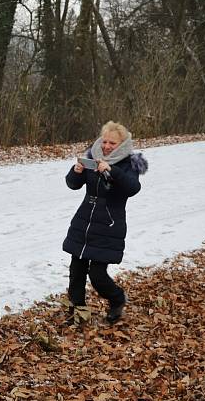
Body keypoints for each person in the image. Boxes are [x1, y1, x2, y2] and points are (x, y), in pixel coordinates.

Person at [63, 121, 148, 323]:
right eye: (105, 141)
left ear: (122, 144)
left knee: (97, 275)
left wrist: (112, 170)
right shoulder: (92, 156)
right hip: (84, 222)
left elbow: (133, 188)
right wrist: (75, 172)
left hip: (109, 225)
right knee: (76, 270)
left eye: (113, 143)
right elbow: (72, 185)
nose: (107, 146)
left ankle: (117, 299)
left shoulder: (129, 163)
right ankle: (78, 311)